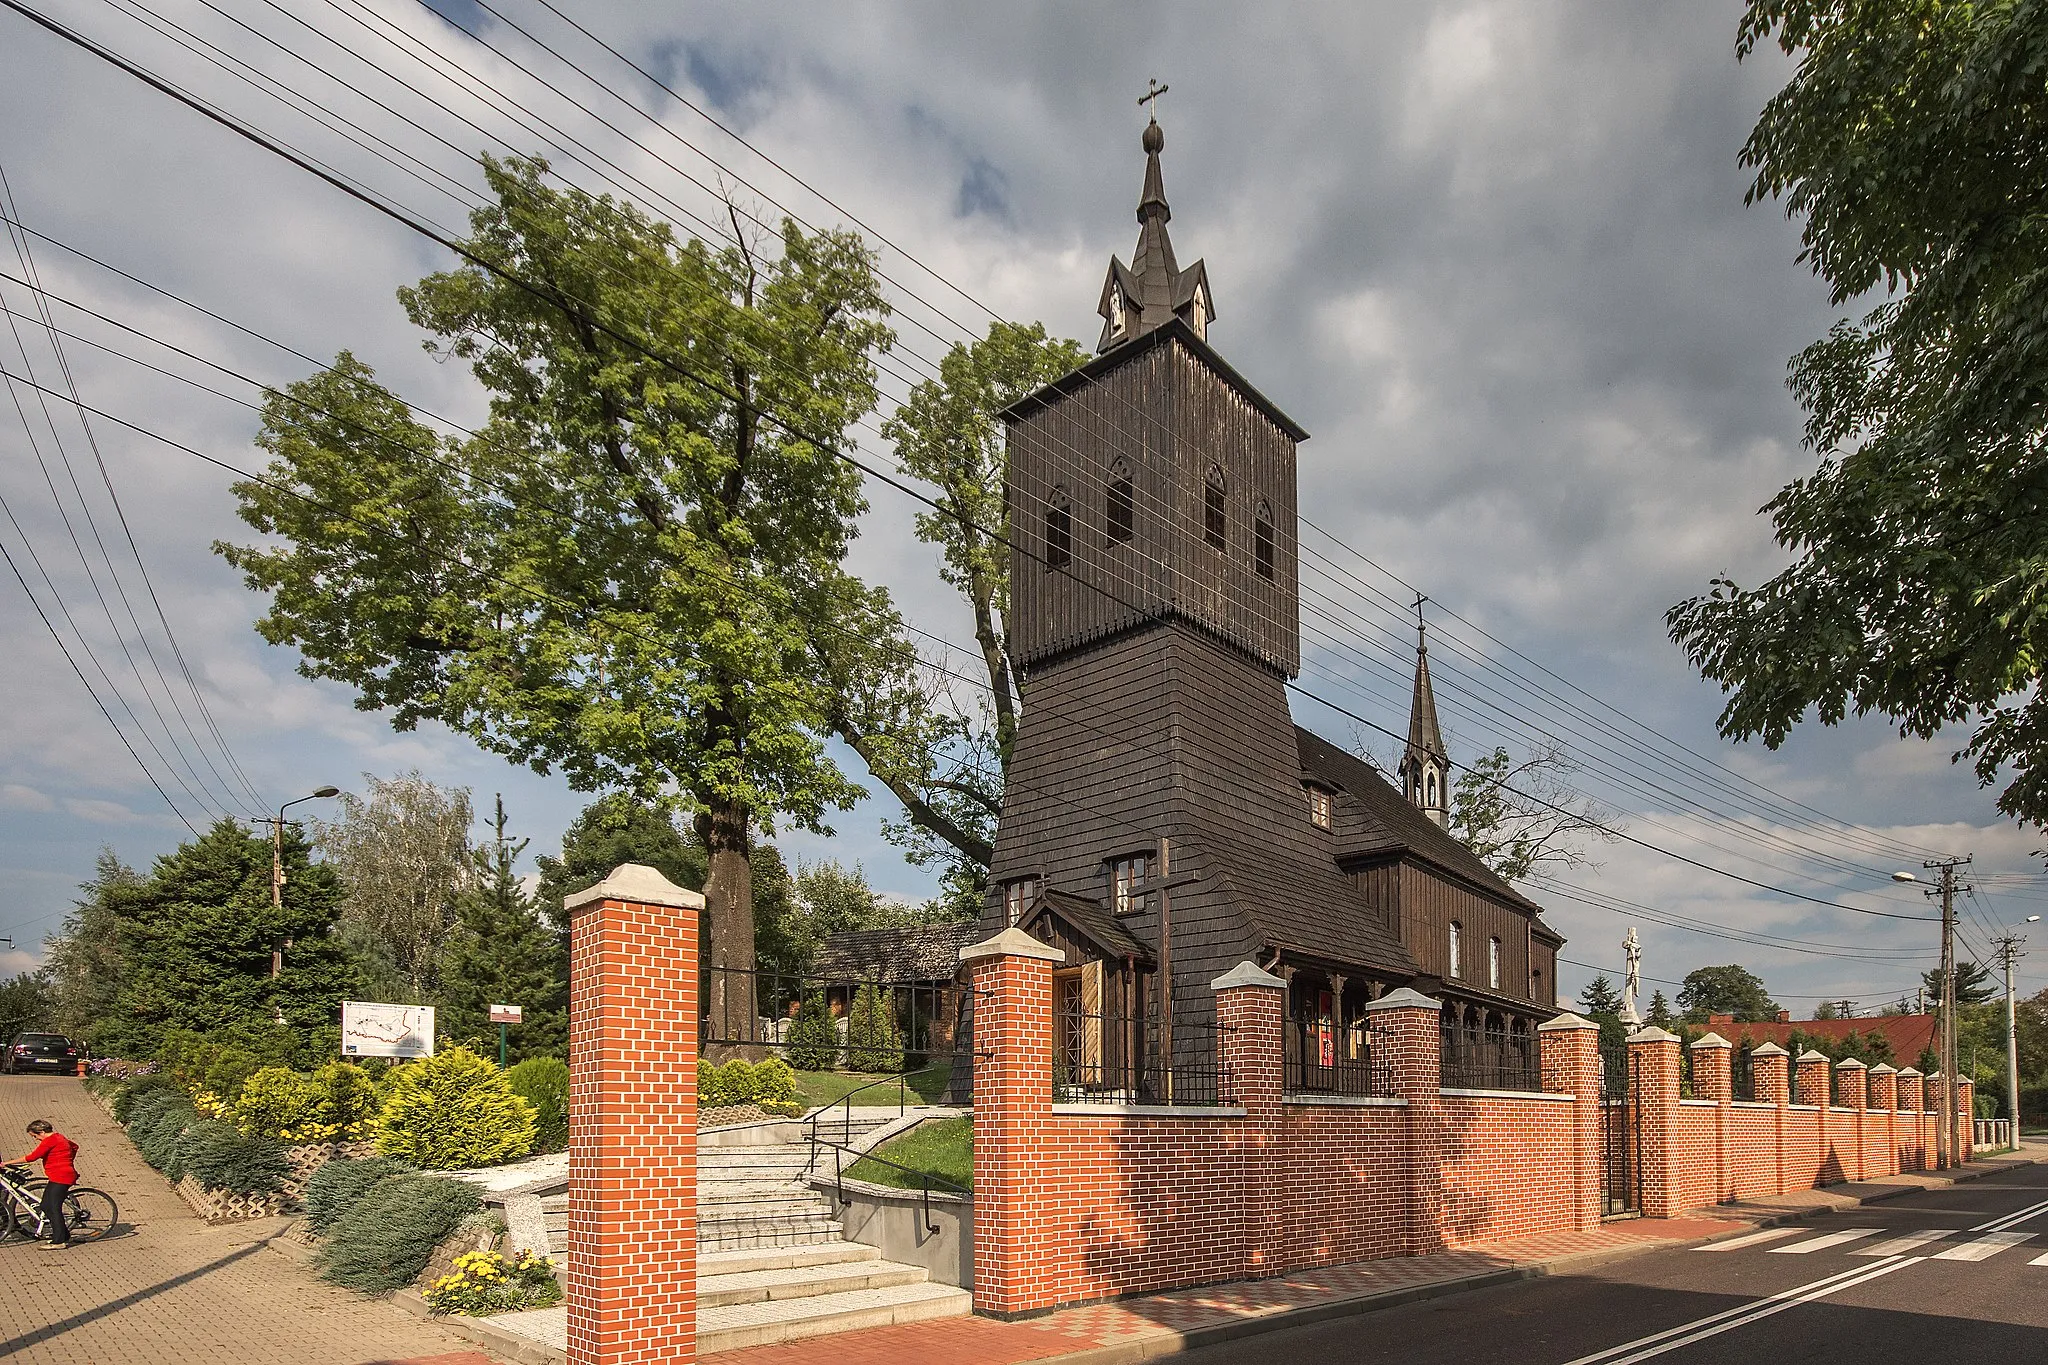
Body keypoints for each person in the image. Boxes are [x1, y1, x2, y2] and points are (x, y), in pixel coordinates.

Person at [16, 1119, 78, 1249]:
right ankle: (63, 1235)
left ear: (42, 1132)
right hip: (58, 1176)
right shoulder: (59, 1137)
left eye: (35, 1136)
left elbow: (32, 1157)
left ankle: (59, 1241)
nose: (36, 1139)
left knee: (53, 1207)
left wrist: (7, 1163)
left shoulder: (50, 1141)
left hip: (61, 1177)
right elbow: (74, 1146)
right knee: (45, 1205)